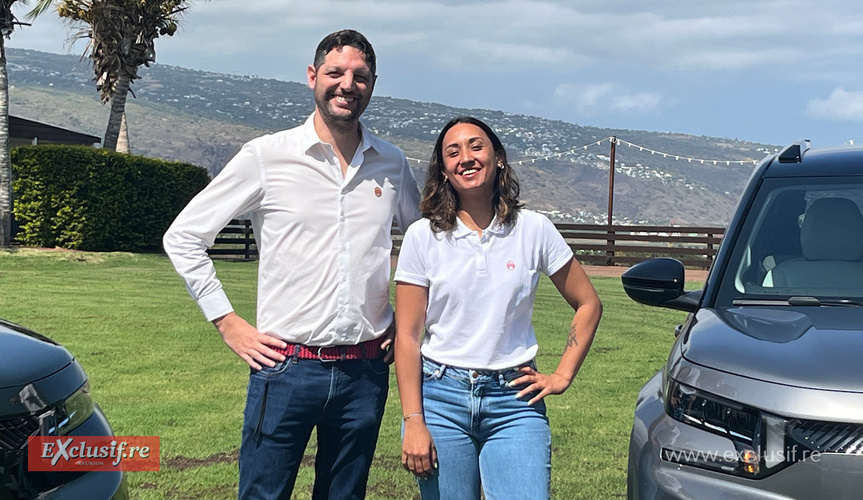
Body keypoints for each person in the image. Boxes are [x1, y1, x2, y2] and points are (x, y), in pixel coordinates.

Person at [163, 29, 421, 500]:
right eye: (336, 73)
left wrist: (405, 321)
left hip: (365, 371)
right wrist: (226, 322)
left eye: (360, 76)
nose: (348, 85)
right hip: (285, 368)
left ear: (373, 84)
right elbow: (183, 236)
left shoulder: (392, 163)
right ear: (312, 77)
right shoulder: (267, 156)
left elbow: (426, 247)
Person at [393, 116, 603, 500]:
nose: (466, 158)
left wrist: (561, 376)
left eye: (476, 146)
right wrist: (413, 421)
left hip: (515, 402)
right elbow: (406, 335)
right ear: (443, 170)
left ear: (498, 158)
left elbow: (588, 302)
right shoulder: (423, 236)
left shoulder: (534, 229)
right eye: (452, 152)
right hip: (441, 397)